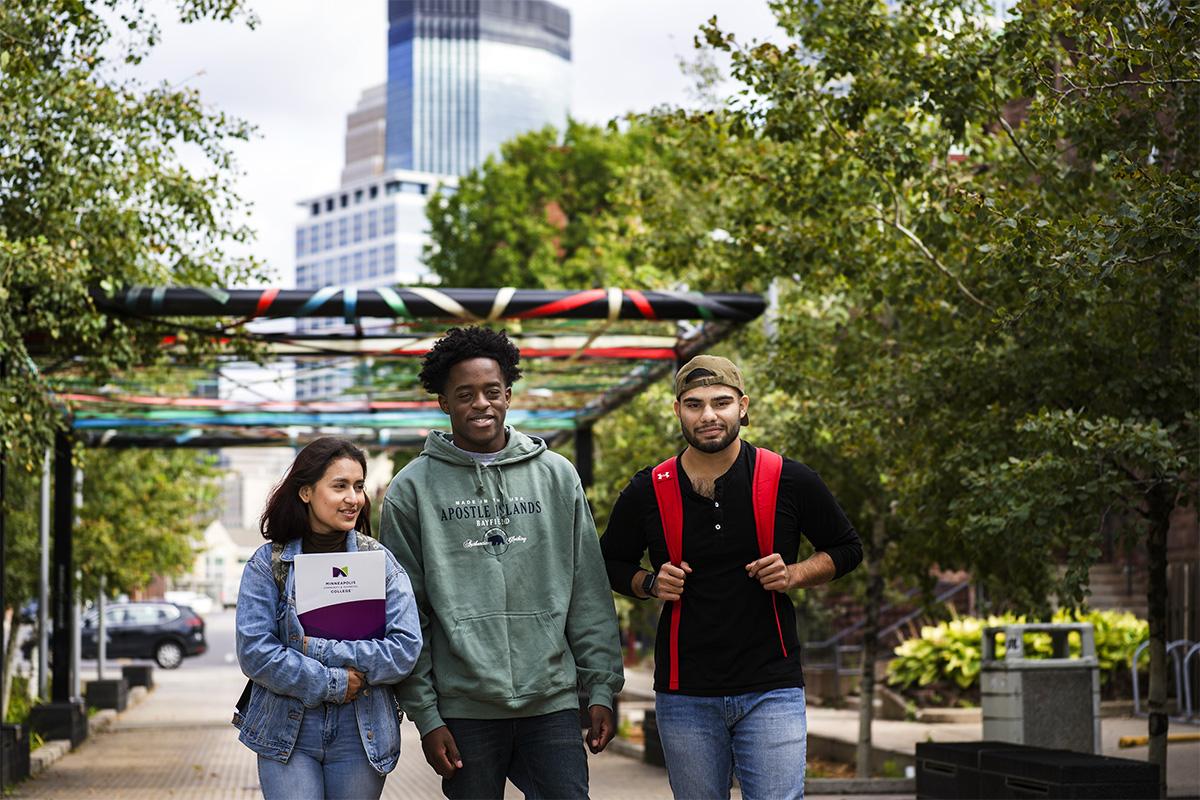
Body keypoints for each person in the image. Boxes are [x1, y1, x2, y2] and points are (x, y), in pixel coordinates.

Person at [601, 355, 863, 800]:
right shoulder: (650, 488)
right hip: (685, 694)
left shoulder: (788, 479)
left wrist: (795, 573)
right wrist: (649, 584)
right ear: (677, 410)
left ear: (743, 406)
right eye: (694, 404)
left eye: (720, 402)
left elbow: (847, 548)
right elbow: (608, 562)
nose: (708, 415)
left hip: (772, 687)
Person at [379, 326, 624, 800]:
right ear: (444, 403)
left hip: (550, 701)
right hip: (465, 710)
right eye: (464, 394)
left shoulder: (556, 476)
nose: (481, 404)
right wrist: (427, 715)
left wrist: (600, 688)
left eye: (492, 392)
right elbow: (408, 613)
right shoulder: (411, 491)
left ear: (509, 395)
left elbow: (587, 590)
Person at [234, 437, 422, 800]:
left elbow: (404, 650)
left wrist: (309, 648)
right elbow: (256, 652)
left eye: (358, 486)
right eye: (339, 486)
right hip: (286, 731)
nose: (354, 498)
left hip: (361, 731)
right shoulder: (267, 564)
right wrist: (333, 682)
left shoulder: (380, 562)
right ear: (305, 491)